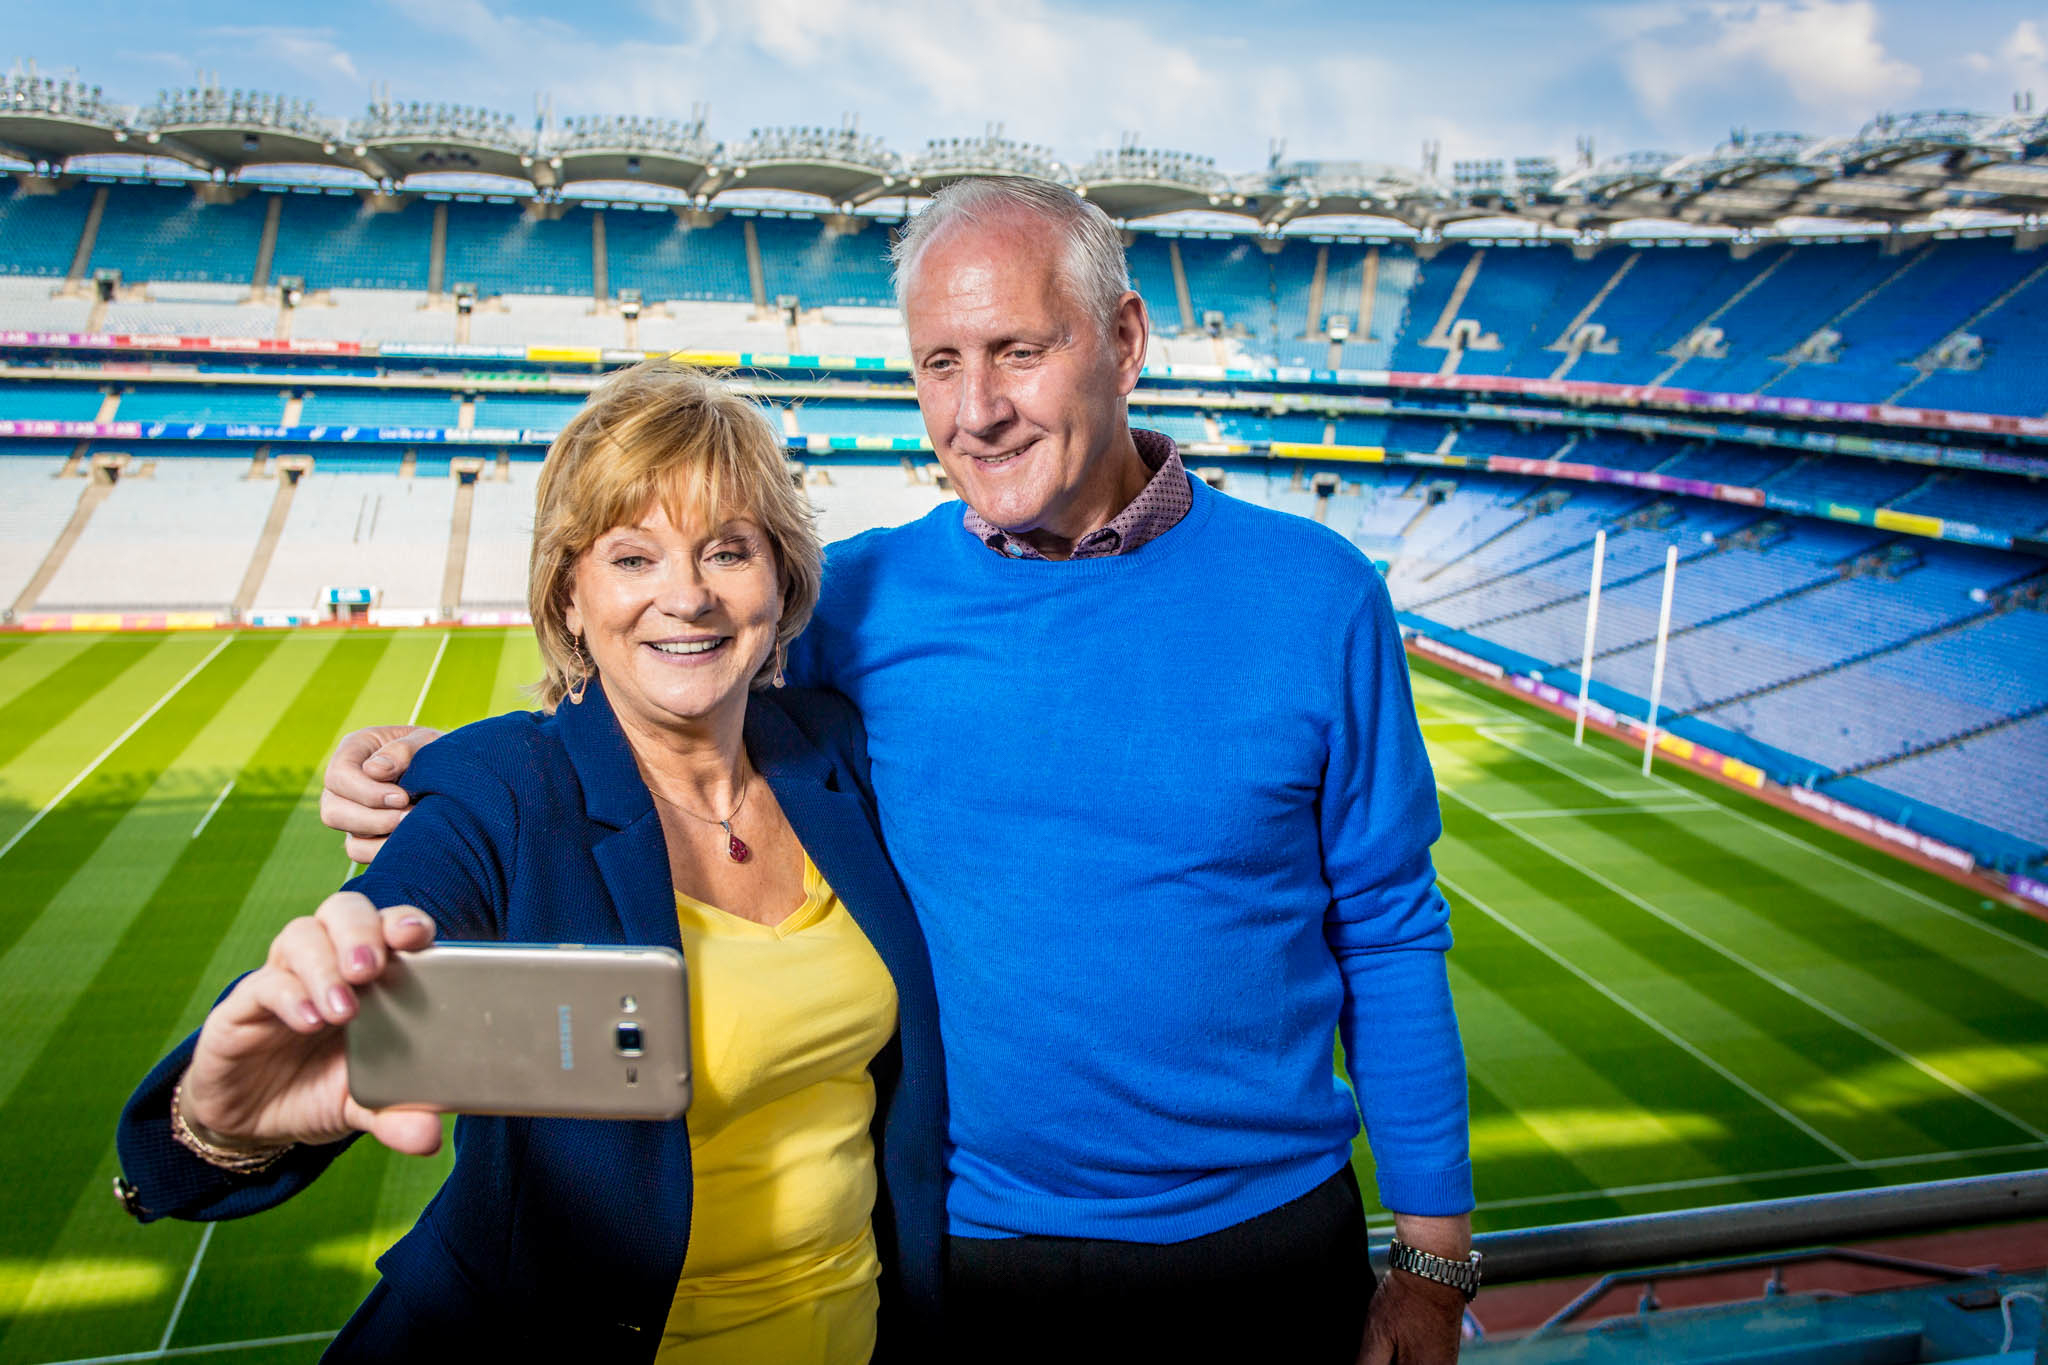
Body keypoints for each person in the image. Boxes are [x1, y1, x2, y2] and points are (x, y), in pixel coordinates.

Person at [323, 176, 1476, 1364]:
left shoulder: (1317, 595)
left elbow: (1387, 931)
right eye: (937, 364)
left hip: (1265, 1250)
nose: (974, 411)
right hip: (965, 1259)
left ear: (1125, 340)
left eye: (1016, 351)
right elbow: (656, 686)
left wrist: (1431, 1265)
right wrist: (446, 773)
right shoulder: (862, 598)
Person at [115, 362, 948, 1364]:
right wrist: (217, 1124)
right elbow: (379, 940)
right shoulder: (497, 790)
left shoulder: (838, 752)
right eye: (633, 559)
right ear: (568, 591)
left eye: (726, 551)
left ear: (780, 577)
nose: (685, 597)